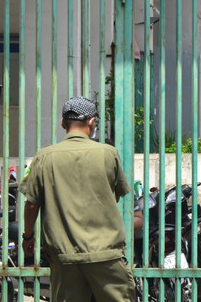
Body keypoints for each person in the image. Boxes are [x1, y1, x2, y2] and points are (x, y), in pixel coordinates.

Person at [19, 96, 135, 302]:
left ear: (63, 123)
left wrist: (28, 237)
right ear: (92, 122)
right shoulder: (109, 153)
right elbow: (114, 196)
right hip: (106, 255)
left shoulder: (44, 157)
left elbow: (31, 204)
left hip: (65, 258)